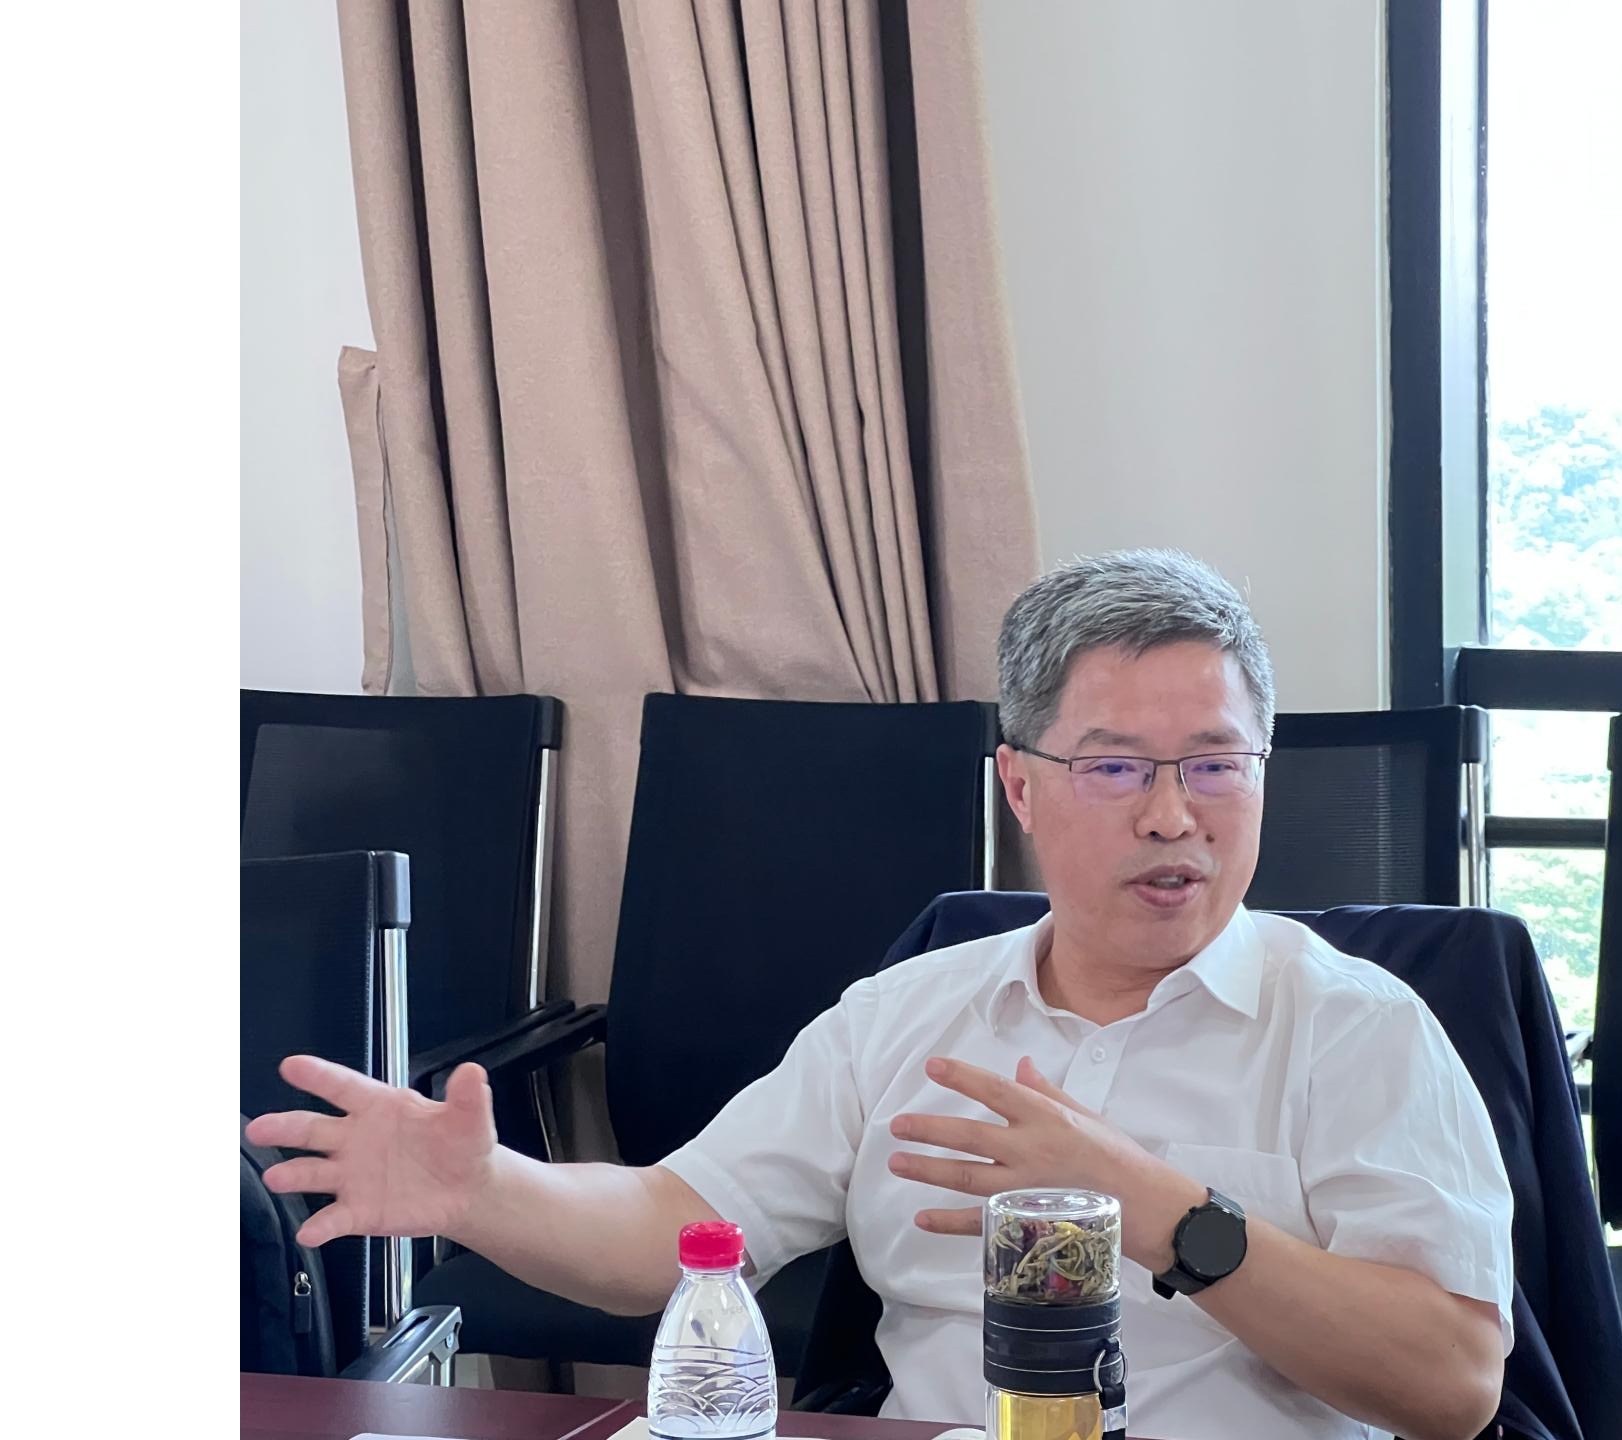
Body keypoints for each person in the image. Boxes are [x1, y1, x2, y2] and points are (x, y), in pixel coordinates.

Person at [249, 549, 1513, 1440]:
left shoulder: (1357, 1028)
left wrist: (1160, 1213)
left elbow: (1454, 1387)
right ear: (1019, 788)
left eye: (1217, 766)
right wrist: (487, 1193)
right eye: (1116, 767)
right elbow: (677, 1227)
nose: (1174, 816)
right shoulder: (910, 1013)